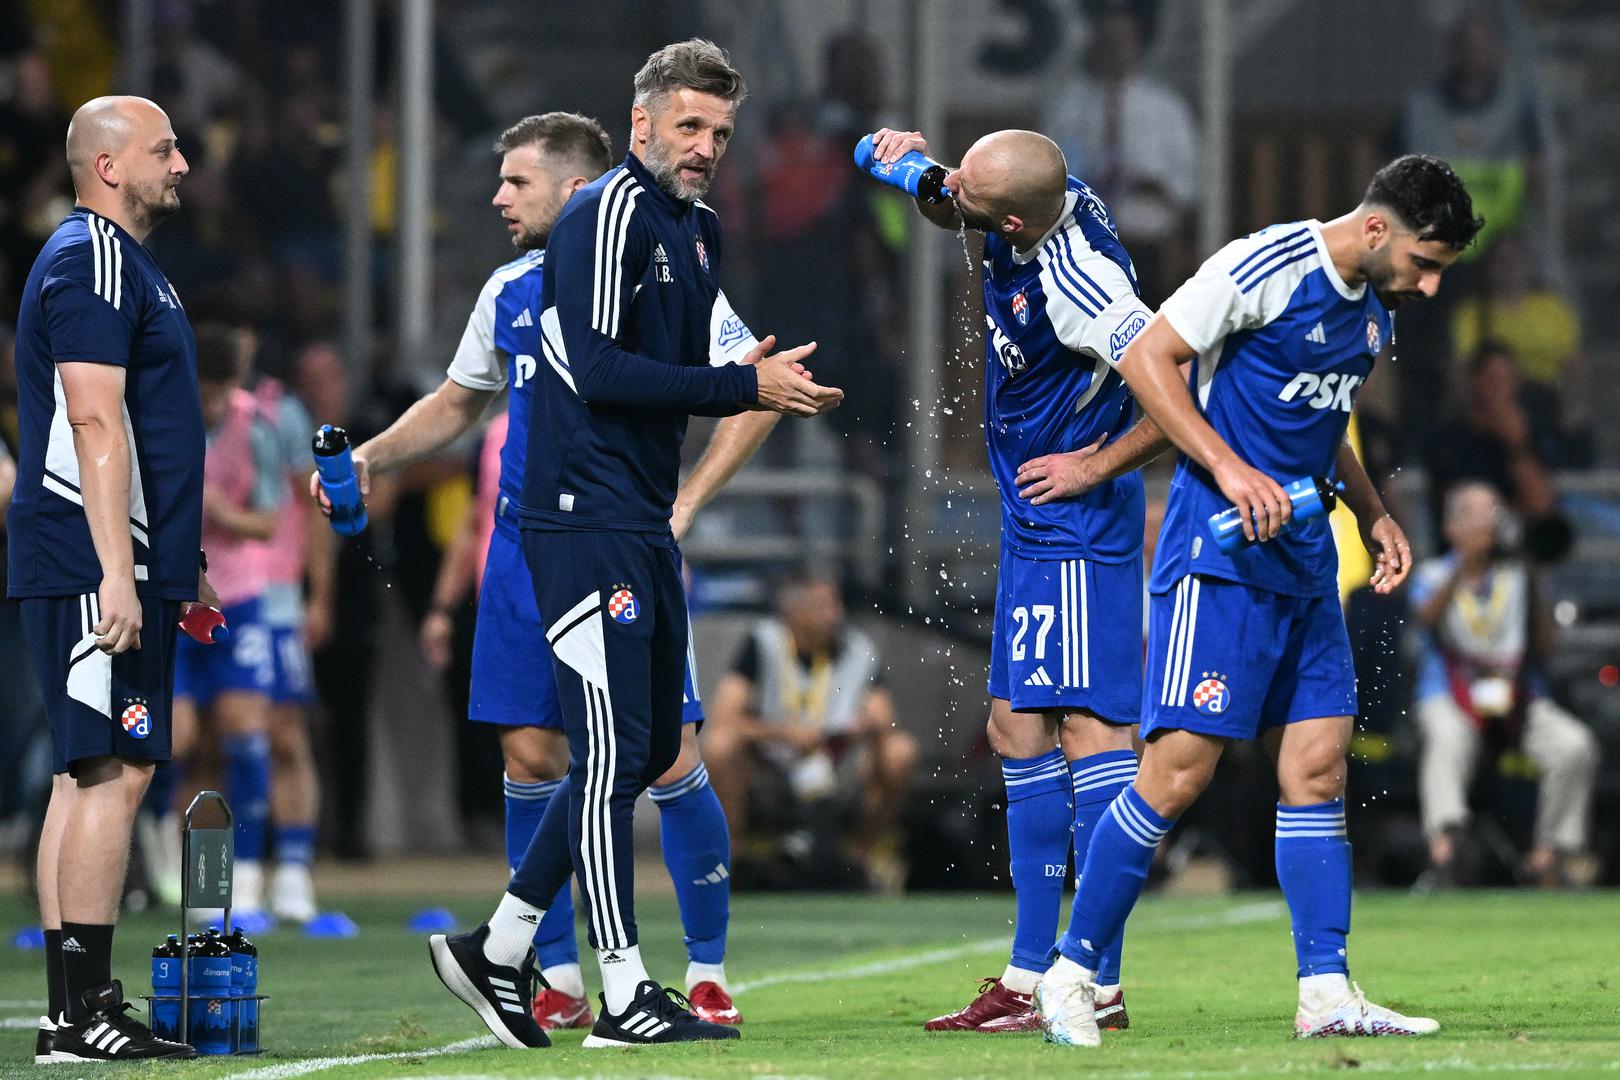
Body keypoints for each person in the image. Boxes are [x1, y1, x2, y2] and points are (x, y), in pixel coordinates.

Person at [427, 39, 841, 1051]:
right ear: (642, 122)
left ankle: (499, 945)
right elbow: (601, 371)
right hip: (582, 517)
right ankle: (622, 993)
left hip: (640, 517)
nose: (705, 147)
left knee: (649, 746)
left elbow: (693, 364)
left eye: (720, 133)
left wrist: (751, 375)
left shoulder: (694, 230)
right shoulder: (604, 213)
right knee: (610, 748)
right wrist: (742, 385)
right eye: (689, 126)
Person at [1032, 154, 1483, 1046]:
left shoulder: (1376, 309)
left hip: (1305, 565)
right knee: (1177, 773)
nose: (1430, 286)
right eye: (1425, 262)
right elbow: (1152, 359)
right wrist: (1228, 468)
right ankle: (1070, 974)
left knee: (1318, 770)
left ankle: (1326, 992)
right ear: (1377, 228)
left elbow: (1324, 424)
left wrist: (1373, 511)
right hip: (1220, 559)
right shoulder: (1265, 265)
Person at [865, 126, 1158, 1033]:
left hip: (1077, 522)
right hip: (1036, 521)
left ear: (1018, 222)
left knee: (1090, 731)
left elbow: (1173, 377)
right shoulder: (1034, 198)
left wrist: (1095, 464)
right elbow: (960, 201)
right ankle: (1034, 973)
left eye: (972, 196)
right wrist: (912, 171)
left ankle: (1089, 978)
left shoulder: (1082, 283)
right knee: (1014, 727)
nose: (957, 194)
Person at [7, 95, 206, 1061]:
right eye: (164, 149)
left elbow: (145, 429)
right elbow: (93, 419)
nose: (183, 162)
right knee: (112, 774)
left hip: (111, 554)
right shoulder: (92, 258)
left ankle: (69, 1012)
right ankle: (86, 1011)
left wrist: (181, 562)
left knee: (84, 772)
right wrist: (118, 573)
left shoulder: (122, 261)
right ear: (109, 166)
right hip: (94, 555)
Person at [1410, 481, 1598, 885]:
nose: (1491, 523)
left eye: (1495, 511)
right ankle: (1447, 847)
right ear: (1452, 526)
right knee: (1445, 738)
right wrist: (1465, 565)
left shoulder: (1517, 575)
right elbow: (1425, 618)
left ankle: (1551, 855)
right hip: (1450, 693)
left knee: (1574, 745)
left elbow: (1547, 646)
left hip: (1515, 695)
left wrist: (1534, 572)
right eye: (1480, 514)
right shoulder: (1433, 573)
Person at [170, 323, 283, 929]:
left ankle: (249, 876)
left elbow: (268, 523)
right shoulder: (161, 416)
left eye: (219, 390)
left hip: (238, 596)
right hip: (175, 599)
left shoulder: (253, 426)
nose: (211, 402)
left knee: (244, 730)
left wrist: (219, 512)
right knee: (177, 738)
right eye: (203, 390)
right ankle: (172, 866)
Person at [703, 568, 915, 881]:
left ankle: (860, 859)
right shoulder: (764, 642)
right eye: (823, 606)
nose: (835, 614)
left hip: (837, 761)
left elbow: (884, 717)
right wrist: (783, 733)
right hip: (772, 764)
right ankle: (736, 859)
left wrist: (862, 724)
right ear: (794, 612)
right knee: (719, 745)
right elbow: (724, 717)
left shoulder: (858, 649)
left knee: (900, 751)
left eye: (836, 604)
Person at [1039, 3, 1198, 303]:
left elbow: (1188, 187)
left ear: (1139, 44)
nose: (1116, 51)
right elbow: (1050, 174)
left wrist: (1152, 185)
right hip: (1084, 241)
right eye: (1108, 41)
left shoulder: (1166, 108)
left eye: (1123, 41)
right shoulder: (1069, 105)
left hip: (1148, 242)